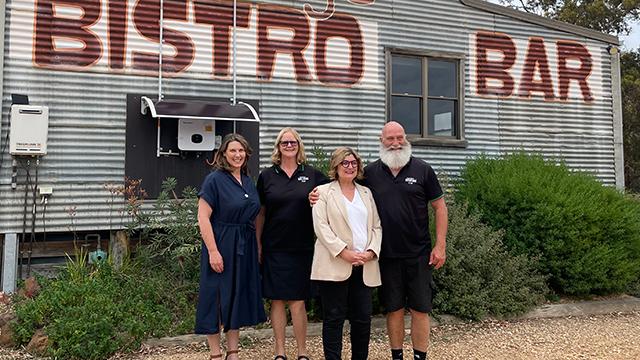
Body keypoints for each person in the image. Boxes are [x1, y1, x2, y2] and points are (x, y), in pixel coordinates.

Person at [310, 121, 448, 360]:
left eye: (399, 137)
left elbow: (440, 207)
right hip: (386, 256)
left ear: (406, 138)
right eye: (390, 139)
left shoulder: (423, 170)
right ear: (381, 141)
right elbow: (343, 188)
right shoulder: (370, 174)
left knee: (420, 309)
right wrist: (314, 194)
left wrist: (440, 245)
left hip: (419, 253)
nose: (395, 143)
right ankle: (396, 356)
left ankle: (419, 356)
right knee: (392, 309)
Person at [255, 127, 328, 360]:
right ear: (278, 147)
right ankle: (279, 351)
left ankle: (302, 351)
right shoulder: (267, 176)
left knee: (297, 301)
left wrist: (319, 200)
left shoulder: (313, 174)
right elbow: (261, 213)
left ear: (299, 146)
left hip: (302, 247)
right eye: (284, 143)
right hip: (274, 246)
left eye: (293, 142)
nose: (289, 146)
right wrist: (258, 243)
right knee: (276, 300)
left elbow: (332, 196)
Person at [195, 133, 266, 360]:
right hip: (221, 243)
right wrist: (213, 251)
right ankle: (216, 354)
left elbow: (255, 216)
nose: (237, 155)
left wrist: (257, 246)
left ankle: (233, 352)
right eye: (233, 150)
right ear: (224, 154)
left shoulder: (247, 181)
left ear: (246, 154)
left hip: (244, 245)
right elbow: (203, 217)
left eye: (241, 151)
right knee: (215, 297)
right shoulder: (214, 180)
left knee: (236, 295)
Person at [311, 147, 382, 360]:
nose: (350, 167)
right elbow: (321, 227)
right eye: (345, 163)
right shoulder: (322, 192)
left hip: (364, 265)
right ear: (336, 166)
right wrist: (344, 252)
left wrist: (371, 251)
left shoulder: (366, 193)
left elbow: (376, 226)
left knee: (362, 320)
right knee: (334, 319)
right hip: (335, 265)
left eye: (353, 163)